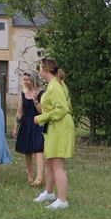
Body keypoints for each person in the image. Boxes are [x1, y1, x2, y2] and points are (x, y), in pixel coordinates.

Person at [33, 58, 75, 210]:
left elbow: (62, 109)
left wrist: (41, 118)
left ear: (44, 69)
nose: (39, 71)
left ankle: (62, 201)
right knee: (49, 161)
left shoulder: (55, 87)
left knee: (57, 164)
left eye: (40, 68)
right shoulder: (54, 84)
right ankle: (49, 192)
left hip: (60, 127)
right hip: (54, 127)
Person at [13, 71, 45, 186]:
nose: (25, 82)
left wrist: (35, 99)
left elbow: (42, 112)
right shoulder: (22, 93)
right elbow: (19, 112)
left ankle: (39, 177)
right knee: (27, 151)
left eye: (28, 79)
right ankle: (30, 174)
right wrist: (15, 127)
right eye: (24, 79)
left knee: (38, 150)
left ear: (34, 80)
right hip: (26, 124)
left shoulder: (41, 93)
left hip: (37, 124)